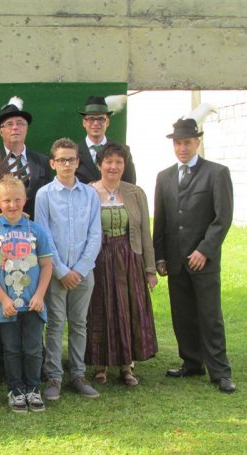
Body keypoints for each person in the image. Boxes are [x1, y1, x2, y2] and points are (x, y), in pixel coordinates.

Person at [153, 118, 236, 393]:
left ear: (197, 142)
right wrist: (160, 257)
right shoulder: (164, 176)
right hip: (175, 261)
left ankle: (220, 372)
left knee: (210, 317)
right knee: (183, 315)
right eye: (178, 143)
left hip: (204, 261)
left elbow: (222, 218)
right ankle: (191, 362)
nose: (182, 148)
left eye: (187, 142)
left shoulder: (217, 173)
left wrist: (204, 250)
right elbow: (161, 221)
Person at [0, 96, 50, 383]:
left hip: (33, 244)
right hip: (1, 245)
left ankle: (35, 365)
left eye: (20, 123)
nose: (15, 128)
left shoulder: (41, 162)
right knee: (3, 301)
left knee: (33, 303)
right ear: (0, 131)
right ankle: (2, 365)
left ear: (27, 129)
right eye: (9, 124)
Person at [84, 143, 158, 387]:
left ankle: (127, 365)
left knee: (128, 309)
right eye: (109, 162)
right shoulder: (88, 192)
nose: (113, 167)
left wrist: (150, 269)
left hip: (129, 258)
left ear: (125, 165)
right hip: (99, 258)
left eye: (119, 162)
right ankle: (100, 365)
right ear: (100, 165)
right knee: (100, 308)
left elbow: (145, 232)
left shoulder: (135, 192)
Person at [0, 175, 53, 413]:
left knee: (33, 349)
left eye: (17, 199)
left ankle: (33, 389)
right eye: (7, 200)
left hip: (33, 303)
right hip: (7, 305)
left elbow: (47, 266)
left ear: (25, 200)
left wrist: (39, 295)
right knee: (11, 349)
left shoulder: (37, 231)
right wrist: (3, 299)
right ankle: (16, 391)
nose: (12, 205)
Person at [34, 138, 102, 401]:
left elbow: (95, 235)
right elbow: (43, 235)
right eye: (61, 160)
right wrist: (62, 271)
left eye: (71, 159)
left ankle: (78, 374)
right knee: (55, 324)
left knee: (79, 323)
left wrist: (80, 269)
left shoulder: (89, 194)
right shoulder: (44, 195)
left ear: (77, 162)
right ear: (53, 163)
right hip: (55, 272)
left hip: (84, 272)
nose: (66, 164)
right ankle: (54, 376)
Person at [76, 96, 137, 185]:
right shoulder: (74, 153)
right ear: (84, 123)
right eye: (91, 119)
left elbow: (130, 184)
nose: (96, 123)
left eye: (101, 119)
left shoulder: (123, 151)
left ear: (107, 122)